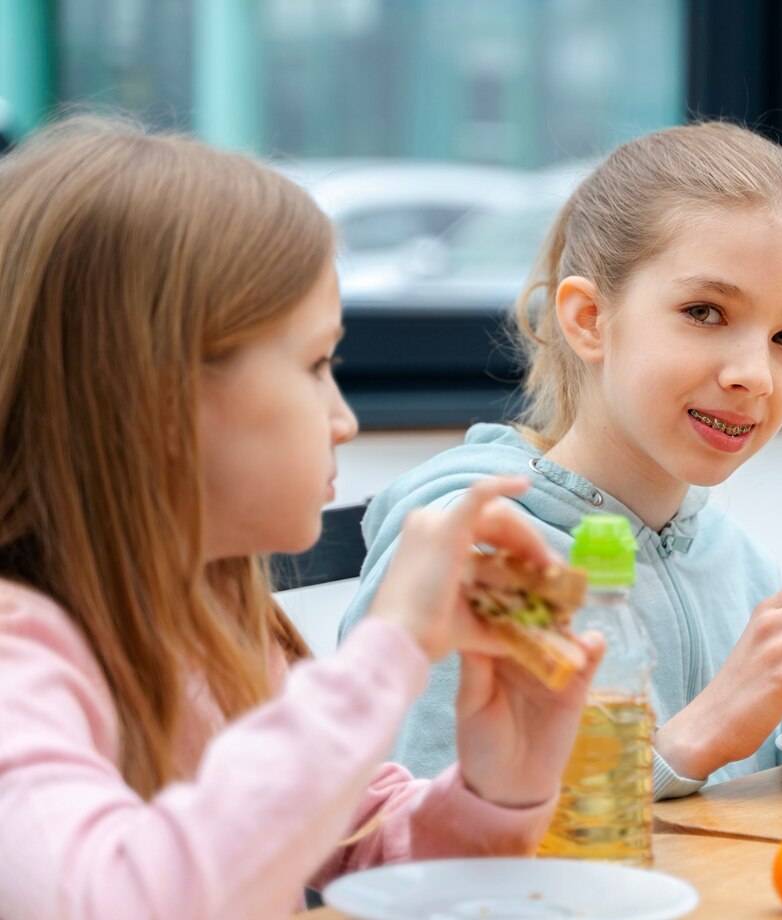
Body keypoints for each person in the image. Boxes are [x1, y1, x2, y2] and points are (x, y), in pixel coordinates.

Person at [0, 116, 603, 919]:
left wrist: (501, 780)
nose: (342, 417)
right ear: (157, 399)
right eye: (316, 364)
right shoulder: (16, 658)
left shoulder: (209, 624)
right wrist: (389, 649)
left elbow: (373, 848)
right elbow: (120, 897)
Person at [338, 121, 782, 800]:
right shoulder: (479, 558)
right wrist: (690, 741)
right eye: (706, 311)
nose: (756, 374)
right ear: (590, 319)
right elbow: (412, 852)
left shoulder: (735, 561)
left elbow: (742, 822)